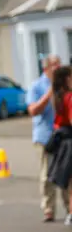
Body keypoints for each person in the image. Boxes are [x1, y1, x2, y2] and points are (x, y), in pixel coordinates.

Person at [26, 54, 69, 222]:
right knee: (47, 175)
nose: (58, 68)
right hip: (45, 137)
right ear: (46, 68)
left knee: (66, 174)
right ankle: (49, 209)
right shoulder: (37, 86)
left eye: (59, 64)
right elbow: (33, 110)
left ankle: (69, 208)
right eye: (54, 65)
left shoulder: (66, 86)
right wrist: (50, 91)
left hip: (64, 135)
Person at [48, 66, 72, 226]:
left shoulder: (57, 97)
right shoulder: (69, 97)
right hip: (69, 140)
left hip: (62, 142)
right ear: (66, 79)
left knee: (70, 181)